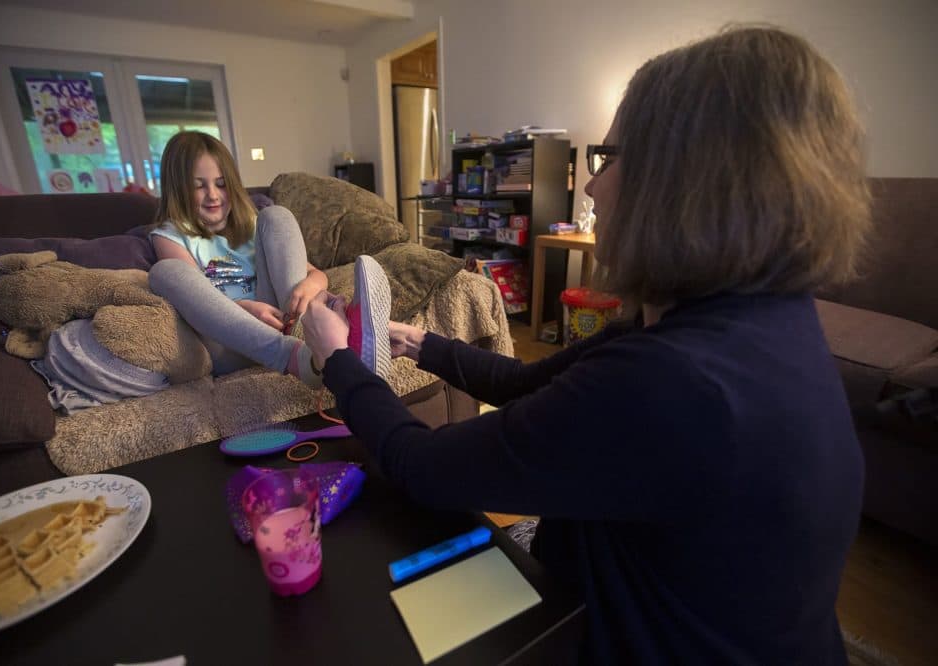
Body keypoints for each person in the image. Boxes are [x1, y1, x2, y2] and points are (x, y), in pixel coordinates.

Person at [302, 26, 870, 664]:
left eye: (612, 157)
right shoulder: (759, 318)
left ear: (684, 183)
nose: (593, 187)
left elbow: (426, 468)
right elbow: (525, 387)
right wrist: (425, 345)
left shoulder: (671, 383)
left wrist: (340, 363)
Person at [148, 131, 391, 387]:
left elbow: (317, 274)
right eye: (199, 186)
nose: (213, 195)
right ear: (178, 190)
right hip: (229, 341)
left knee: (277, 216)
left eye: (221, 184)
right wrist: (245, 308)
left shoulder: (253, 225)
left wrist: (308, 287)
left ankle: (320, 336)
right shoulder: (170, 235)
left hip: (283, 320)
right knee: (165, 271)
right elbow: (195, 299)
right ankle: (295, 357)